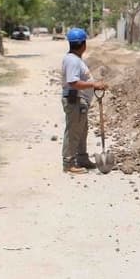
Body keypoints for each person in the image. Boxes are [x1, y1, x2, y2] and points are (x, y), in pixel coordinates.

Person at [61, 27, 107, 174]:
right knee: (74, 131)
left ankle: (82, 158)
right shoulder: (73, 61)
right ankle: (68, 163)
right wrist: (93, 84)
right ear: (83, 44)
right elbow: (73, 82)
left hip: (80, 100)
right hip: (75, 99)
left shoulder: (74, 59)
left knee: (82, 131)